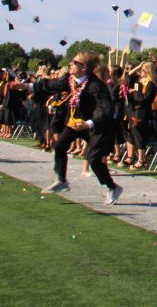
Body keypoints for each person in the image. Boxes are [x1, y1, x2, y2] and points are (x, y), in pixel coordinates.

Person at [40, 53, 123, 205]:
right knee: (60, 145)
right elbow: (54, 84)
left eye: (74, 62)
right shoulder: (70, 80)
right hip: (77, 122)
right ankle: (61, 179)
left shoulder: (96, 86)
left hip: (97, 126)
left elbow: (105, 110)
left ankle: (113, 187)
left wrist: (88, 123)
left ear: (84, 68)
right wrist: (28, 86)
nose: (70, 64)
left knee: (94, 159)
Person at [126, 62, 157, 169]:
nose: (141, 72)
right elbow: (128, 77)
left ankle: (142, 159)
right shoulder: (140, 81)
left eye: (143, 70)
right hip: (134, 110)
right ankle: (135, 158)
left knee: (140, 135)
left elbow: (144, 99)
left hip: (142, 113)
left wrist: (135, 92)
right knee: (133, 134)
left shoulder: (150, 84)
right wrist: (131, 93)